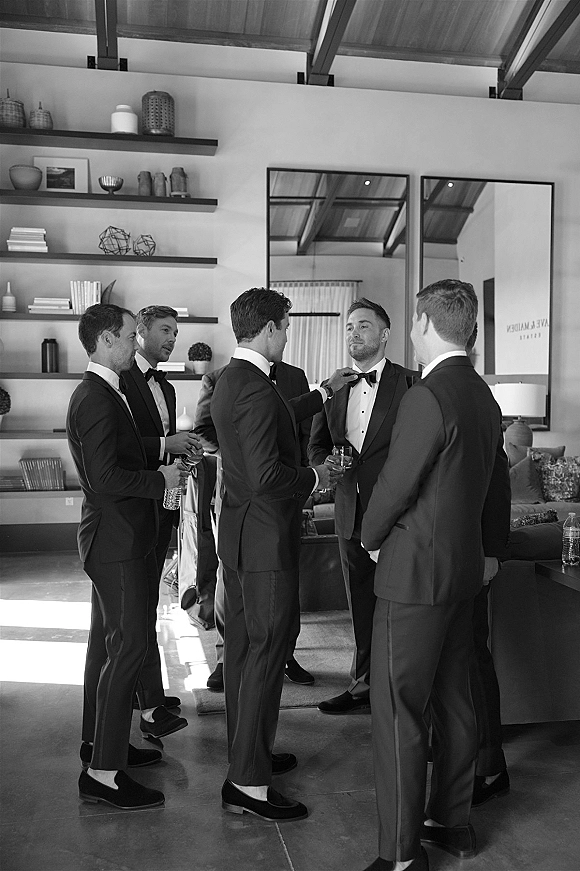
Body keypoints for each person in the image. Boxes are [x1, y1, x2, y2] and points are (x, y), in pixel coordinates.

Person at [359, 279, 510, 871]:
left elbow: (398, 483)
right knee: (455, 701)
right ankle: (453, 823)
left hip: (414, 575)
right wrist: (488, 550)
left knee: (397, 709)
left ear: (423, 323)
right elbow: (495, 482)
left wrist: (369, 538)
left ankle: (400, 856)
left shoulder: (427, 394)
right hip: (463, 572)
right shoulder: (481, 394)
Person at [211, 286, 356, 821]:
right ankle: (246, 784)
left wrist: (320, 391)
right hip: (265, 540)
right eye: (287, 327)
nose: (288, 335)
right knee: (269, 652)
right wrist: (320, 475)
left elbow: (272, 417)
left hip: (243, 536)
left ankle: (248, 754)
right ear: (270, 328)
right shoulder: (252, 387)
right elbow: (270, 475)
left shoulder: (239, 379)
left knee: (248, 653)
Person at [66, 303, 187, 810]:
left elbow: (122, 448)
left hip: (119, 538)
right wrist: (160, 479)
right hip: (115, 541)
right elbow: (103, 478)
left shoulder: (103, 390)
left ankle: (103, 745)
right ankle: (103, 774)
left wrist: (161, 447)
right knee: (129, 649)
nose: (135, 343)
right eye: (128, 335)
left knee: (113, 646)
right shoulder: (95, 396)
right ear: (104, 341)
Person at [308, 298, 417, 714]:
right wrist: (326, 467)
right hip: (349, 510)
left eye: (364, 326)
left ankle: (398, 690)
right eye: (350, 327)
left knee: (400, 607)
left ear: (385, 334)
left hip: (398, 514)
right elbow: (316, 445)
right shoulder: (332, 386)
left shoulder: (412, 383)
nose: (354, 333)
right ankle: (362, 686)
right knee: (360, 604)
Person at [194, 358, 321, 692]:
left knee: (284, 576)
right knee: (231, 576)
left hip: (288, 493)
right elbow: (205, 430)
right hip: (240, 491)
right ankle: (227, 656)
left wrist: (306, 478)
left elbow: (302, 428)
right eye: (283, 325)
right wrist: (242, 456)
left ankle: (285, 653)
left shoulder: (296, 376)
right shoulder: (218, 378)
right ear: (269, 327)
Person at [121, 305, 203, 739]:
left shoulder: (166, 387)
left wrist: (183, 454)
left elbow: (165, 445)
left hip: (163, 501)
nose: (172, 338)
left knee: (151, 601)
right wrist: (163, 444)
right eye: (165, 330)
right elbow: (125, 444)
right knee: (138, 606)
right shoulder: (121, 380)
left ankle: (148, 691)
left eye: (176, 331)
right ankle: (148, 697)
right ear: (140, 333)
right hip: (135, 504)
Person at [465, 324, 511, 807]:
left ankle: (491, 764)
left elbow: (498, 483)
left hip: (475, 551)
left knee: (473, 657)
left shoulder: (480, 398)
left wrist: (492, 551)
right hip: (454, 553)